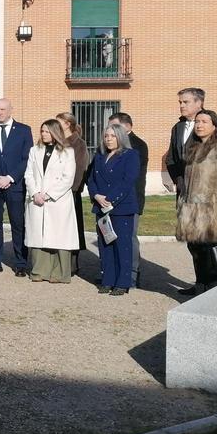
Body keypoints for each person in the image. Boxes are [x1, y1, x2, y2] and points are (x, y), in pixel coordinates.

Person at [174, 109, 217, 296]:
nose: (199, 125)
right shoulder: (193, 148)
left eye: (204, 121)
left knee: (212, 255)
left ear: (214, 126)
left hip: (212, 211)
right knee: (196, 251)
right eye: (197, 121)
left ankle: (215, 293)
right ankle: (201, 287)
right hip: (191, 210)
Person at [0, 99, 33, 276]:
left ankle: (21, 263)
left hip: (14, 185)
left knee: (18, 224)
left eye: (2, 109)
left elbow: (26, 159)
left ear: (10, 110)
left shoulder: (24, 131)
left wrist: (10, 177)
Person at [24, 120, 79, 284]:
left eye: (47, 132)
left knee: (58, 236)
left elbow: (68, 178)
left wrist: (48, 195)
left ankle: (59, 273)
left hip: (58, 201)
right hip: (37, 200)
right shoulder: (34, 150)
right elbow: (29, 174)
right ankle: (39, 271)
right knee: (38, 235)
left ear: (55, 133)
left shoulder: (67, 152)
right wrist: (35, 193)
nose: (43, 134)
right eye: (42, 131)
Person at [88, 124, 141, 296]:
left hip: (121, 207)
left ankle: (122, 282)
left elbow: (128, 181)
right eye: (106, 136)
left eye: (112, 136)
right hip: (101, 207)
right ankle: (107, 280)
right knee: (105, 245)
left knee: (122, 246)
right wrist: (96, 196)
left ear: (120, 137)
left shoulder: (130, 155)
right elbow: (91, 180)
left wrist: (110, 199)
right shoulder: (99, 156)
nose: (109, 139)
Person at [109, 112, 148, 287]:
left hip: (130, 199)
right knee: (112, 236)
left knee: (128, 238)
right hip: (110, 199)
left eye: (115, 127)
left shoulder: (137, 145)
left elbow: (130, 176)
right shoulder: (110, 146)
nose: (111, 132)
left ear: (127, 126)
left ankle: (131, 275)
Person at [164, 87, 217, 197]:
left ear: (199, 103)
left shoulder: (215, 123)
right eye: (180, 102)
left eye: (186, 102)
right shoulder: (177, 127)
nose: (181, 106)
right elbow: (171, 158)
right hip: (183, 191)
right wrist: (178, 181)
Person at [55, 112, 90, 273]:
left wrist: (72, 189)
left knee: (73, 228)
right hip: (55, 191)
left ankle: (73, 263)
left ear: (68, 123)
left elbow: (80, 168)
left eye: (59, 122)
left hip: (71, 192)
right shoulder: (57, 141)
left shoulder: (79, 144)